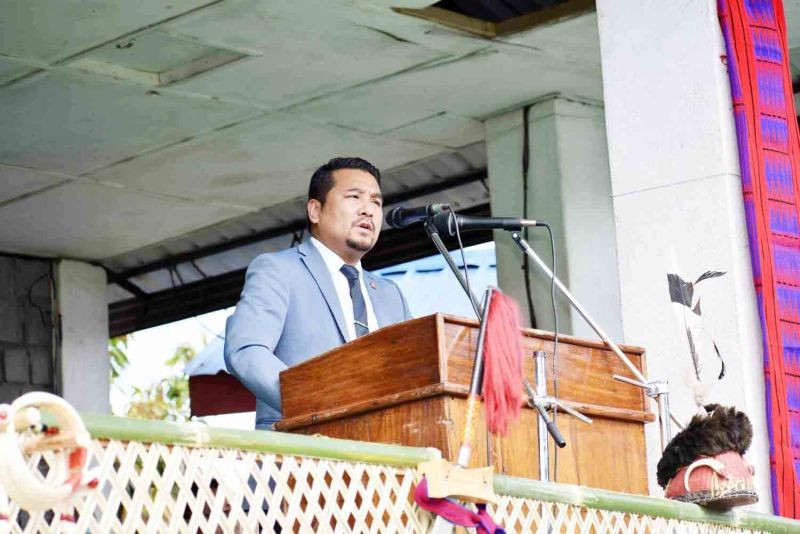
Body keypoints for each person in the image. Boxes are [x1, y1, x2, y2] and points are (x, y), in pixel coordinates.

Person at [224, 157, 412, 430]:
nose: (368, 210)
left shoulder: (390, 294)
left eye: (376, 202)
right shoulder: (279, 270)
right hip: (301, 452)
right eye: (354, 197)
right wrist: (319, 405)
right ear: (315, 210)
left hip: (385, 452)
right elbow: (245, 350)